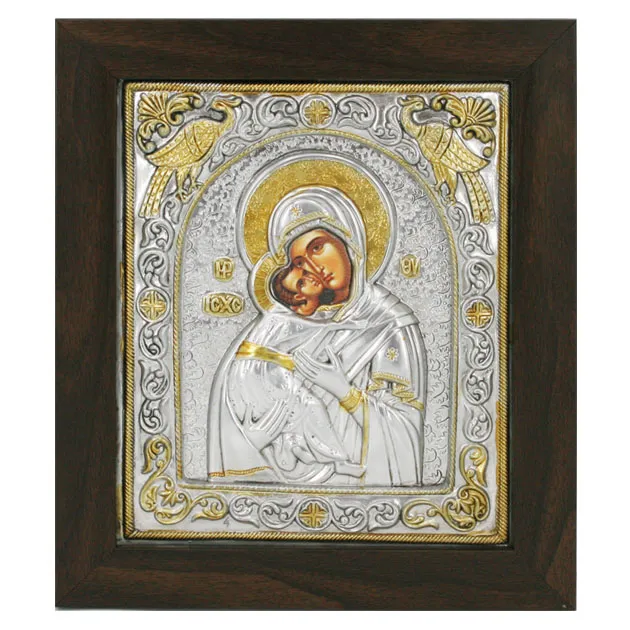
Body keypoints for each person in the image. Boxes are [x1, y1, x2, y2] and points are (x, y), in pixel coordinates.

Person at [208, 186, 427, 486]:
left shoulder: (390, 325)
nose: (314, 267)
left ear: (349, 240)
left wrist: (344, 391)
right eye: (298, 263)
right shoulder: (277, 323)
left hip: (359, 493)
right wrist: (253, 440)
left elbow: (405, 433)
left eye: (317, 247)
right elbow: (234, 401)